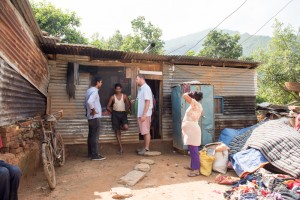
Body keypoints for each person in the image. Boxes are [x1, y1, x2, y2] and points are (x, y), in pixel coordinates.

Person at [181, 91, 203, 177]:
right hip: (191, 130)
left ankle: (196, 170)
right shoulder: (196, 105)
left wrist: (188, 92)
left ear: (193, 97)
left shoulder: (195, 103)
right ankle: (193, 166)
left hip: (192, 130)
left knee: (193, 150)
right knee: (191, 149)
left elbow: (184, 95)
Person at [84, 76, 106, 161]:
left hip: (90, 117)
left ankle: (90, 153)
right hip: (95, 117)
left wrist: (89, 112)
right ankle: (95, 155)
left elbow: (85, 104)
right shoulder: (95, 91)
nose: (101, 84)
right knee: (95, 136)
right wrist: (93, 110)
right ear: (97, 82)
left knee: (91, 135)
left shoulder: (88, 91)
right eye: (101, 82)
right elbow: (89, 102)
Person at [106, 83, 131, 154]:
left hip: (123, 114)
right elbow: (108, 107)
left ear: (121, 89)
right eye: (116, 89)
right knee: (117, 132)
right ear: (115, 90)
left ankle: (120, 127)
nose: (118, 90)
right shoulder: (112, 97)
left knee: (126, 127)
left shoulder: (124, 96)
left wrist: (125, 111)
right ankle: (121, 148)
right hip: (115, 114)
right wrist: (113, 112)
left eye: (119, 89)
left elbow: (128, 105)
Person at [134, 74, 153, 155]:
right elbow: (141, 100)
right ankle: (145, 147)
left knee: (146, 131)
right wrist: (135, 101)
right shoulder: (141, 89)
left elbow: (148, 101)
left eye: (137, 79)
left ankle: (147, 148)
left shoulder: (146, 88)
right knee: (144, 131)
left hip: (145, 114)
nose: (136, 81)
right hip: (142, 114)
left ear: (142, 79)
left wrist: (144, 114)